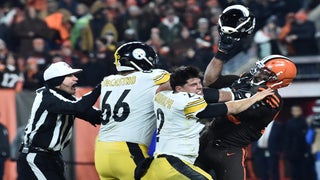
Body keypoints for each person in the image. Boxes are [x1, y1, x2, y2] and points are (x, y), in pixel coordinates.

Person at [194, 4, 297, 180]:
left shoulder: (271, 100)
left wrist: (191, 93)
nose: (258, 72)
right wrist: (222, 51)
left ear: (277, 80)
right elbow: (210, 81)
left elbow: (227, 100)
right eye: (260, 68)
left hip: (227, 151)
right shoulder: (246, 80)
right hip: (205, 139)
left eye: (265, 72)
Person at [135, 65, 274, 180]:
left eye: (199, 83)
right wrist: (256, 97)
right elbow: (232, 107)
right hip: (175, 163)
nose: (199, 87)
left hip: (158, 162)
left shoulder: (161, 96)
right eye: (193, 85)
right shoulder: (187, 100)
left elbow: (161, 88)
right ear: (179, 89)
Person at [94, 41, 171, 180]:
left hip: (101, 151)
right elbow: (181, 82)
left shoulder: (107, 81)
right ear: (141, 58)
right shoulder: (149, 77)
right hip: (128, 150)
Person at [17, 61, 102, 180]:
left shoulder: (69, 98)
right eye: (70, 76)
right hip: (35, 157)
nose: (75, 79)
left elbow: (97, 117)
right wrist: (101, 87)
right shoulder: (46, 96)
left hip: (52, 158)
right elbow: (79, 108)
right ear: (57, 80)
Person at [284, 105, 316, 180]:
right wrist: (287, 151)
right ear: (291, 112)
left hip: (304, 153)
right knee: (294, 172)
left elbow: (309, 138)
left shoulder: (305, 122)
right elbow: (286, 138)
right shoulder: (289, 123)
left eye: (297, 110)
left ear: (301, 111)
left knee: (305, 173)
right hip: (293, 153)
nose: (296, 112)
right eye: (294, 110)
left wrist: (308, 152)